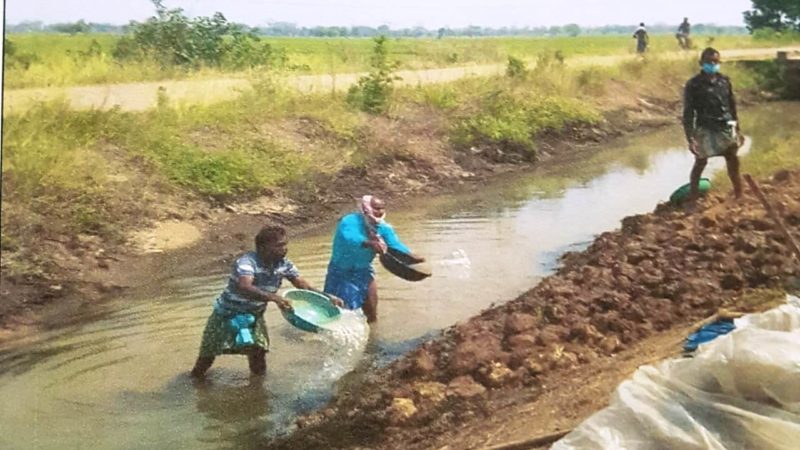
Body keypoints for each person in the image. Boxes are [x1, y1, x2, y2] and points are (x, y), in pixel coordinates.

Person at [190, 225, 342, 378]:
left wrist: (327, 296)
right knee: (207, 356)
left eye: (285, 244)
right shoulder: (247, 262)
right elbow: (245, 286)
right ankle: (195, 381)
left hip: (254, 315)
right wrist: (274, 298)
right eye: (279, 245)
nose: (284, 249)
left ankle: (257, 391)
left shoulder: (284, 264)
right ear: (263, 247)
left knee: (258, 354)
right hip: (226, 314)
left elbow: (302, 284)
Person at [323, 195, 424, 323]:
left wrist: (412, 257)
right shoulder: (349, 221)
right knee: (338, 309)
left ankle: (372, 335)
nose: (380, 212)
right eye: (376, 208)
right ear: (366, 208)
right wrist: (369, 243)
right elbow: (350, 238)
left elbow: (395, 245)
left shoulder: (383, 227)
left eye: (382, 208)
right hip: (341, 272)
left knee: (371, 310)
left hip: (364, 270)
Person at [682, 47, 744, 201]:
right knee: (700, 162)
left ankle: (739, 195)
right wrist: (690, 138)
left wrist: (737, 128)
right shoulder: (694, 84)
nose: (712, 64)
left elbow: (732, 105)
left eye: (715, 61)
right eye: (708, 62)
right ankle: (693, 198)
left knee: (733, 161)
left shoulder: (724, 81)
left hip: (726, 124)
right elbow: (688, 113)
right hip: (705, 126)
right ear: (701, 63)